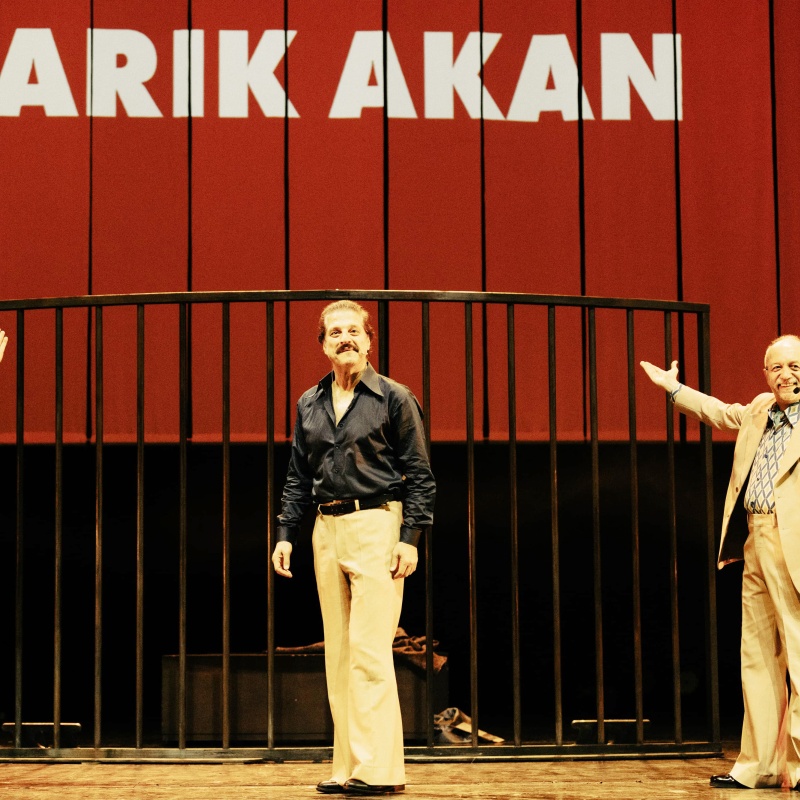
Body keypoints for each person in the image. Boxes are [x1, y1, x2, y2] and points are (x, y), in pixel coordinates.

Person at [271, 300, 435, 796]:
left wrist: (410, 538)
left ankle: (379, 771)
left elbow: (420, 475)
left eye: (354, 331)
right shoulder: (310, 402)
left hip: (377, 523)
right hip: (327, 528)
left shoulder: (394, 398)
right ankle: (348, 766)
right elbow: (298, 475)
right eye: (335, 332)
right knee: (340, 655)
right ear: (323, 345)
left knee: (369, 652)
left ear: (368, 341)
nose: (345, 338)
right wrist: (285, 533)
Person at [641, 335, 800, 790]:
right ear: (765, 374)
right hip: (755, 538)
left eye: (794, 366)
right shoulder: (760, 409)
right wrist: (674, 389)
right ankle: (758, 766)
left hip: (794, 543)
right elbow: (719, 411)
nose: (785, 375)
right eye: (776, 367)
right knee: (757, 654)